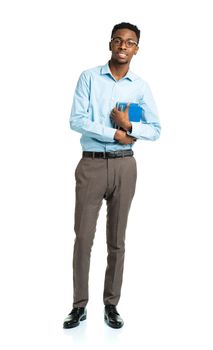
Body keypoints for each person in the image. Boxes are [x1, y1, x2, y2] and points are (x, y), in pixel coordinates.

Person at [63, 22, 161, 329]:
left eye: (129, 42)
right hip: (91, 165)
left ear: (136, 49)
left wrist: (130, 127)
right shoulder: (89, 78)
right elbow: (76, 120)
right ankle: (79, 306)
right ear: (110, 44)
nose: (123, 46)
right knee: (84, 237)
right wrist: (115, 133)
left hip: (125, 166)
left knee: (117, 240)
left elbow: (156, 130)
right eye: (118, 40)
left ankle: (111, 305)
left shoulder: (140, 86)